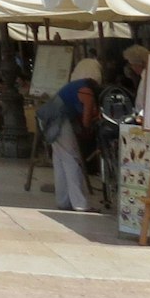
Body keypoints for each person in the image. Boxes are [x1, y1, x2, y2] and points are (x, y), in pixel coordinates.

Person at [42, 57, 102, 212]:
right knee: (71, 159)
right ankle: (80, 203)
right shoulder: (87, 92)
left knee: (60, 160)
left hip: (49, 118)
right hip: (60, 120)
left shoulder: (77, 86)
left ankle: (63, 201)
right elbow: (86, 120)